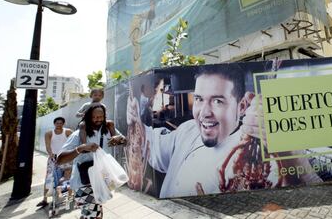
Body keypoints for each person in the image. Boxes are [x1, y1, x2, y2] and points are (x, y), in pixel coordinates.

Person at [126, 65, 321, 198]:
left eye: (218, 101)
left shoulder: (258, 154)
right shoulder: (188, 130)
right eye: (200, 99)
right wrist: (135, 122)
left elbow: (308, 193)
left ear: (242, 105)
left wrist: (293, 154)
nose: (205, 113)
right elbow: (155, 149)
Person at [57, 105, 125, 219]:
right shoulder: (77, 135)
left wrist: (121, 139)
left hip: (102, 181)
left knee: (95, 213)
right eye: (95, 117)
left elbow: (125, 140)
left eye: (101, 116)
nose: (98, 119)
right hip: (83, 183)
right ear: (88, 117)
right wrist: (80, 148)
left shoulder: (108, 130)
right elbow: (60, 159)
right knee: (93, 215)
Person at [37, 117, 73, 208]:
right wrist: (51, 154)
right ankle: (44, 199)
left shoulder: (68, 132)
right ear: (54, 124)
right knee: (49, 179)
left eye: (61, 123)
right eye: (57, 123)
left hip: (66, 157)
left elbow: (74, 142)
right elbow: (48, 146)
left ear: (63, 124)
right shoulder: (49, 133)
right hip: (54, 158)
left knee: (67, 178)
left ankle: (67, 198)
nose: (59, 125)